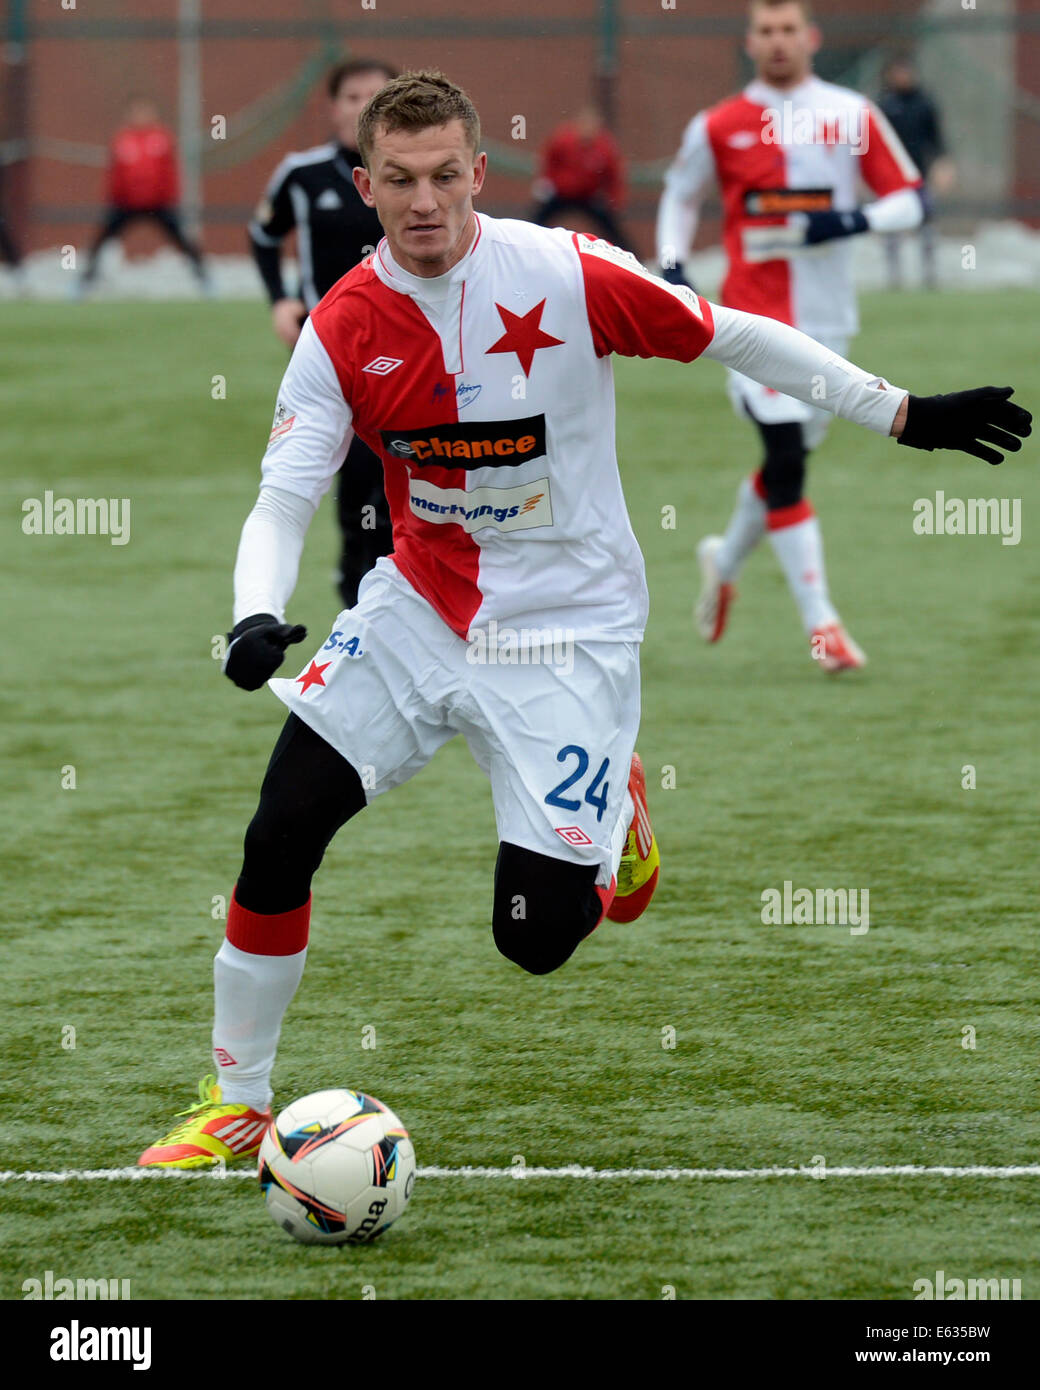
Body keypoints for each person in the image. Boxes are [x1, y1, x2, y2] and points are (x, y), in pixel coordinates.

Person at [138, 69, 1028, 1169]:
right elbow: (282, 496)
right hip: (418, 605)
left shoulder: (563, 274)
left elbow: (735, 335)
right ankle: (238, 1101)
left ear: (477, 172)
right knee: (278, 833)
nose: (425, 203)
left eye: (446, 177)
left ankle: (619, 812)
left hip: (570, 627)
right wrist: (253, 615)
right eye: (400, 181)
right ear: (364, 184)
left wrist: (896, 412)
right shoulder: (339, 328)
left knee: (535, 939)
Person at [657, 0, 928, 671]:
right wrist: (672, 264)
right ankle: (823, 626)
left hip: (830, 321)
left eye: (788, 30)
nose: (778, 42)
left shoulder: (851, 114)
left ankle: (723, 561)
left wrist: (848, 223)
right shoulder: (718, 123)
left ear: (811, 38)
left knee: (785, 462)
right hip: (751, 322)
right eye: (765, 31)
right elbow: (680, 194)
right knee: (786, 454)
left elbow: (910, 200)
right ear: (750, 42)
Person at [249, 59, 397, 608]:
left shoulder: (412, 172)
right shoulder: (303, 174)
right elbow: (263, 235)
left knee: (406, 472)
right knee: (353, 474)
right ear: (333, 108)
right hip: (333, 354)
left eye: (376, 95)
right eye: (352, 96)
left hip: (412, 349)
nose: (363, 106)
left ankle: (398, 591)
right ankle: (355, 588)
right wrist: (280, 300)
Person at [79, 96, 209, 294]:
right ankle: (84, 282)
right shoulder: (122, 139)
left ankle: (204, 279)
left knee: (183, 239)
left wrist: (170, 197)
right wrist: (113, 199)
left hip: (158, 203)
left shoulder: (162, 138)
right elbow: (114, 173)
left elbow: (170, 172)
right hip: (126, 204)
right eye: (137, 112)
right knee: (102, 240)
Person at [878, 56, 955, 291]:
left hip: (918, 177)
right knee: (891, 229)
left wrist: (943, 165)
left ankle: (929, 276)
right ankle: (895, 278)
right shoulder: (884, 104)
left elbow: (937, 139)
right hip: (891, 179)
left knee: (927, 226)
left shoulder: (924, 103)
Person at [532, 104, 629, 249]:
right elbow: (549, 160)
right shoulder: (563, 140)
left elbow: (613, 176)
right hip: (561, 193)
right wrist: (546, 182)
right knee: (535, 221)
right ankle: (525, 247)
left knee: (611, 227)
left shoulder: (604, 147)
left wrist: (613, 200)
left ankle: (631, 256)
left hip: (588, 196)